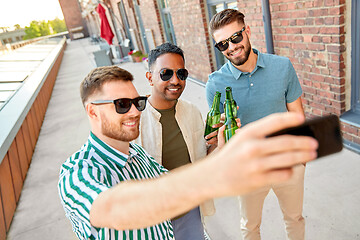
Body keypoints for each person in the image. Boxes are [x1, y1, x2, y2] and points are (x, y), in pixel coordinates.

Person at [58, 65, 318, 240]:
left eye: (138, 102)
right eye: (122, 105)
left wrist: (226, 150)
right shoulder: (77, 172)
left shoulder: (139, 155)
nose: (136, 111)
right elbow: (115, 209)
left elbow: (178, 191)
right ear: (92, 111)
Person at [206, 9, 306, 240]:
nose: (231, 47)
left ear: (247, 31)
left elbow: (297, 116)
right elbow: (216, 140)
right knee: (249, 227)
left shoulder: (282, 67)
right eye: (222, 45)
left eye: (235, 38)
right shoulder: (215, 85)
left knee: (295, 219)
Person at [134, 42, 214, 240]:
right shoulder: (134, 120)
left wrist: (217, 142)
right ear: (150, 77)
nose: (175, 80)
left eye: (181, 74)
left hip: (191, 210)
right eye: (166, 73)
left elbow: (201, 159)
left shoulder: (192, 112)